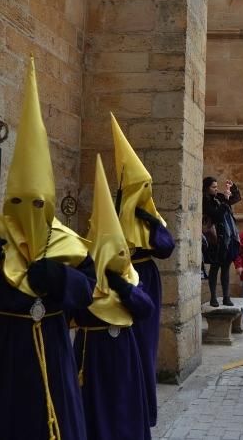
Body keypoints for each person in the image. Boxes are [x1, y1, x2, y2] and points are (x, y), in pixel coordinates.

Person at [0, 57, 95, 440]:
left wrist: (61, 277)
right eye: (17, 203)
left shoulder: (67, 243)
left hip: (51, 342)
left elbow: (90, 293)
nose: (26, 213)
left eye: (36, 204)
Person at [73, 155, 154, 440]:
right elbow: (75, 310)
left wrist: (122, 287)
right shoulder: (84, 275)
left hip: (124, 351)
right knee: (94, 405)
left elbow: (145, 308)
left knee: (124, 404)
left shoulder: (130, 276)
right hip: (91, 351)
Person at [111, 114, 175, 427]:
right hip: (117, 279)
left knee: (144, 342)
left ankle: (143, 407)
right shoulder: (111, 209)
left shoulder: (151, 218)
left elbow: (165, 248)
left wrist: (150, 222)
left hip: (145, 278)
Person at [202, 176, 241, 307]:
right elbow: (217, 215)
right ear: (207, 188)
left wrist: (232, 188)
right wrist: (225, 200)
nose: (216, 189)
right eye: (213, 187)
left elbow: (236, 199)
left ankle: (226, 297)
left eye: (216, 186)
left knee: (225, 268)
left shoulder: (219, 197)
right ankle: (213, 297)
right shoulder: (206, 201)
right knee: (215, 268)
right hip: (216, 239)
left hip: (228, 237)